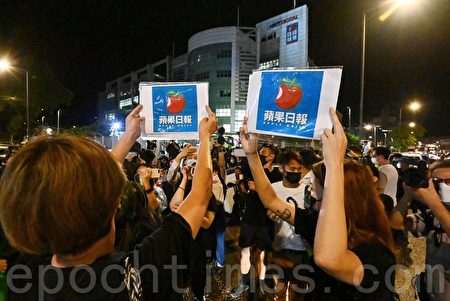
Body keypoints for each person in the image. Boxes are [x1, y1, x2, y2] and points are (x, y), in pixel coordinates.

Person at [0, 104, 218, 300]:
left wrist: (129, 136)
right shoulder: (136, 273)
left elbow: (85, 185)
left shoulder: (24, 276)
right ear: (115, 205)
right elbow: (200, 194)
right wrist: (205, 137)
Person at [240, 108, 398, 300]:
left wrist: (334, 166)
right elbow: (271, 200)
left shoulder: (374, 251)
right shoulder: (316, 221)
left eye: (315, 187)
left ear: (339, 193)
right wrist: (251, 154)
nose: (310, 192)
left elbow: (329, 259)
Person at [401, 160, 450, 301]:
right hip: (432, 290)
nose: (442, 186)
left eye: (448, 181)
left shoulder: (436, 209)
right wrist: (407, 197)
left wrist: (434, 203)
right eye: (437, 182)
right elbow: (396, 224)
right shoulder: (432, 214)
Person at [267, 150, 309, 301]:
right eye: (292, 169)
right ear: (281, 169)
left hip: (302, 251)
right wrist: (271, 215)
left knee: (298, 293)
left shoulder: (308, 189)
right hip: (279, 248)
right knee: (279, 289)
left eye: (299, 169)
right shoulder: (273, 188)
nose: (296, 172)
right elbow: (268, 211)